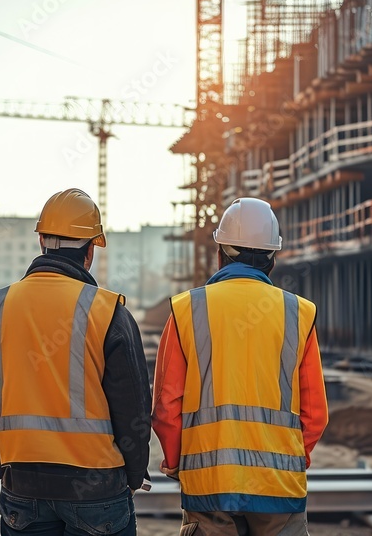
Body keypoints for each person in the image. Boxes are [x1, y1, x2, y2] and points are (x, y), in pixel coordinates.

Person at [0, 188, 151, 536]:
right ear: (90, 250)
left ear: (42, 241)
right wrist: (133, 474)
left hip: (23, 489)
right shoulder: (107, 313)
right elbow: (133, 407)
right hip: (97, 488)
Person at [152, 197, 328, 535]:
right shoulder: (299, 313)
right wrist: (290, 460)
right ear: (272, 259)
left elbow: (166, 408)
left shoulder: (187, 310)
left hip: (209, 487)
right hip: (278, 488)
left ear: (220, 253)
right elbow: (315, 414)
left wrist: (177, 464)